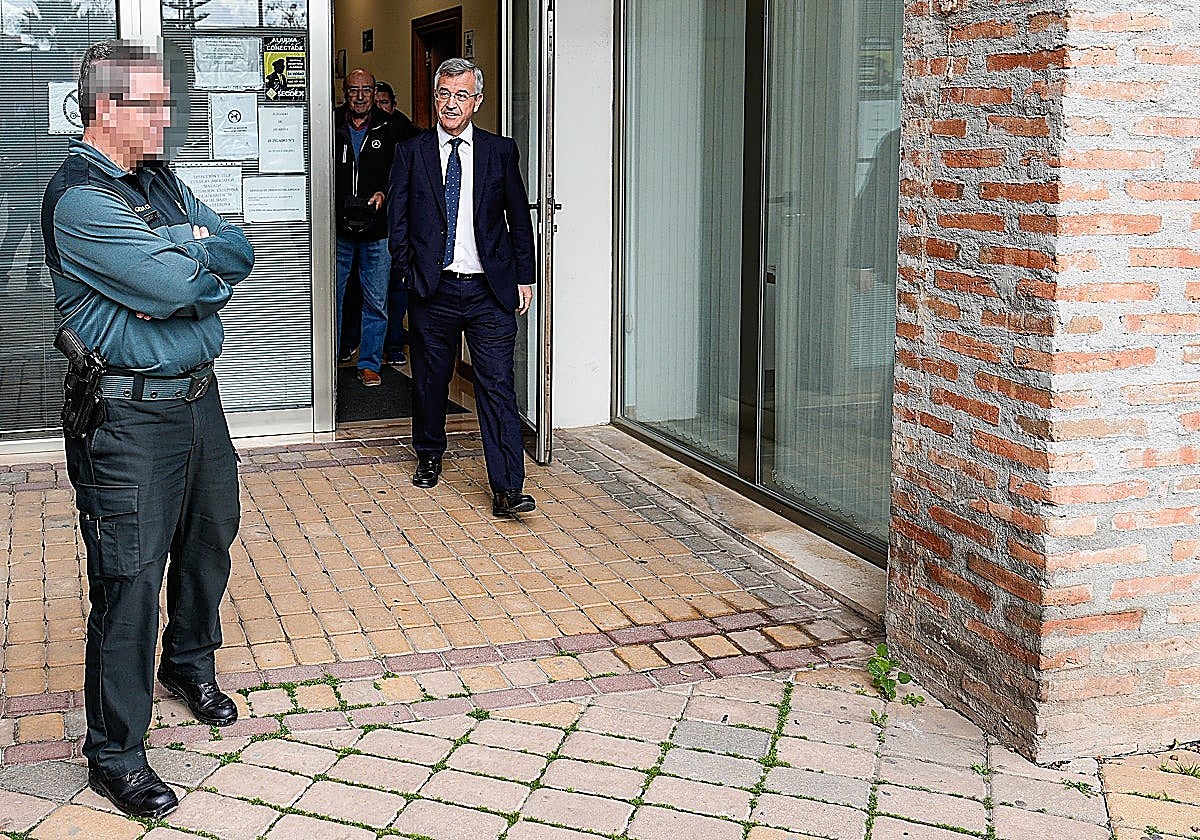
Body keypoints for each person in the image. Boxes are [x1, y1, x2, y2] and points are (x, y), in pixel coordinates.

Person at [41, 40, 253, 819]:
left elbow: (236, 251)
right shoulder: (80, 198)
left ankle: (188, 664)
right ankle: (116, 755)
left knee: (208, 540)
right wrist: (185, 258)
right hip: (126, 419)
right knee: (129, 581)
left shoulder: (157, 178)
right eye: (153, 104)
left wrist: (188, 256)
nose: (167, 116)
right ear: (106, 108)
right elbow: (177, 285)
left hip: (198, 400)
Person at [387, 58, 536, 518]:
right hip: (434, 289)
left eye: (461, 95)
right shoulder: (411, 152)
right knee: (431, 380)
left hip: (489, 290)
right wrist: (409, 273)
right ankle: (429, 452)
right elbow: (397, 221)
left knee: (497, 385)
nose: (451, 104)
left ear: (477, 101)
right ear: (435, 98)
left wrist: (525, 276)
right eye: (443, 94)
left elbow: (518, 218)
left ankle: (507, 488)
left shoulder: (499, 151)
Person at [335, 68, 399, 386]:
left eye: (366, 90)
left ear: (374, 93)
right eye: (353, 90)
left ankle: (370, 363)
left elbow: (407, 170)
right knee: (331, 297)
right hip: (336, 230)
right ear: (344, 93)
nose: (360, 97)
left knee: (376, 300)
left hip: (377, 230)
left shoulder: (392, 126)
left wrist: (385, 192)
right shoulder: (330, 122)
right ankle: (328, 359)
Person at [373, 80, 419, 369]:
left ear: (394, 104)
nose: (380, 107)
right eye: (376, 102)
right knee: (373, 293)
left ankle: (393, 343)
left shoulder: (406, 132)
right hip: (374, 227)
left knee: (398, 288)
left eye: (385, 103)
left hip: (404, 225)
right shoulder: (362, 129)